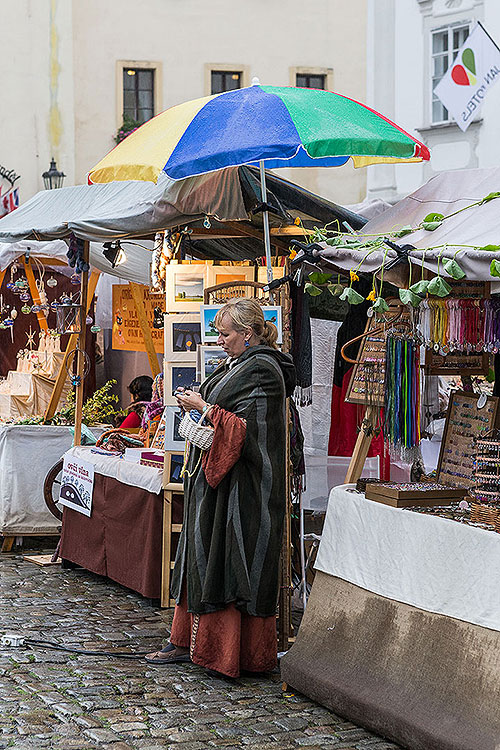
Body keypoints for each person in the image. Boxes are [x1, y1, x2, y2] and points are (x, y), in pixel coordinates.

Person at [146, 298, 296, 678]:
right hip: (216, 481)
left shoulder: (263, 369)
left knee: (231, 563)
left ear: (247, 334)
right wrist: (201, 406)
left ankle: (227, 653)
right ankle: (187, 642)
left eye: (225, 333)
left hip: (243, 489)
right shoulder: (239, 362)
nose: (219, 339)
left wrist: (205, 407)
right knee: (203, 556)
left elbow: (250, 430)